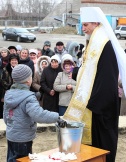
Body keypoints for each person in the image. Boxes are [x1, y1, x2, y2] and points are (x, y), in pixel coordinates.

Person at [63, 7, 126, 162]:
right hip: (94, 102)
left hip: (101, 106)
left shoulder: (105, 43)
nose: (83, 28)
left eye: (86, 25)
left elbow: (107, 77)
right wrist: (77, 72)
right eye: (82, 25)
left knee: (101, 144)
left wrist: (93, 103)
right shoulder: (95, 40)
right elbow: (91, 70)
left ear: (96, 23)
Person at [3, 64, 66, 162]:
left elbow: (6, 116)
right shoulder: (28, 98)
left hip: (11, 135)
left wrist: (12, 127)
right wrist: (56, 117)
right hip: (23, 138)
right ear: (28, 80)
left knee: (11, 158)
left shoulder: (9, 94)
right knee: (22, 159)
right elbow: (39, 115)